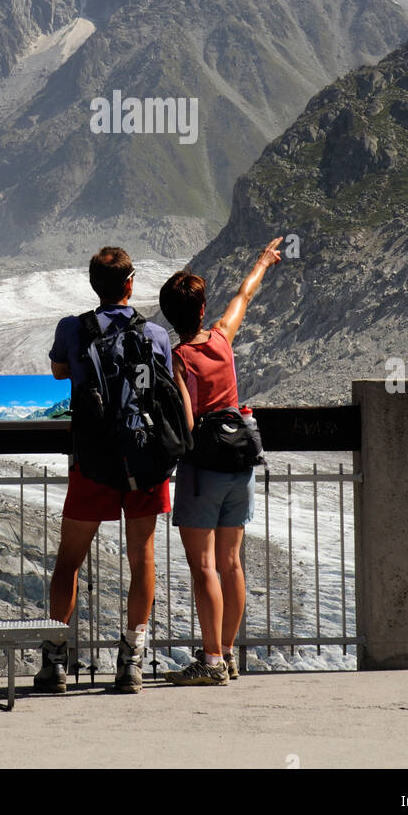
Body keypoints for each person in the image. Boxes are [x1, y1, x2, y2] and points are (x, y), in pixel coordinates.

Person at [34, 246, 174, 695]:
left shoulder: (72, 329)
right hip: (143, 461)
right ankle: (131, 660)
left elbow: (59, 372)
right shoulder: (155, 334)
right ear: (130, 283)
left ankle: (55, 661)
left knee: (69, 561)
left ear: (94, 285)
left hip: (92, 460)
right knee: (142, 560)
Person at [158, 237, 283, 686]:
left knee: (204, 566)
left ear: (170, 316)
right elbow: (244, 295)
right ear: (202, 306)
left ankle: (209, 661)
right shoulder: (223, 338)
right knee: (232, 563)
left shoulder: (178, 358)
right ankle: (227, 652)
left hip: (202, 472)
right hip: (240, 466)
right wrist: (263, 260)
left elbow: (188, 422)